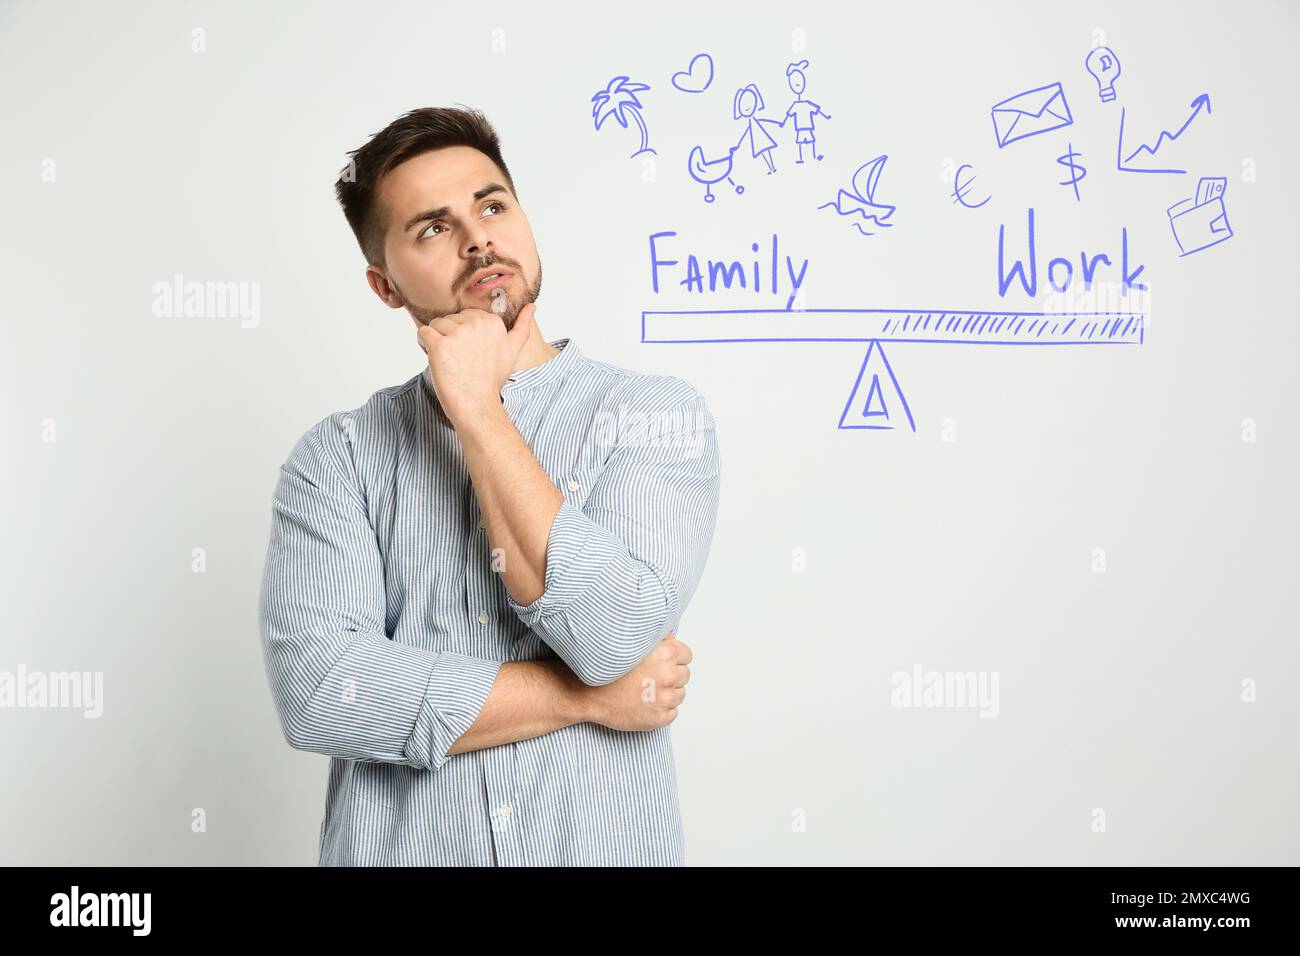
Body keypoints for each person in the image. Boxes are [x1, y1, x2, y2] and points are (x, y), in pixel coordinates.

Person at [257, 106, 722, 866]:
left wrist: (478, 411)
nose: (477, 237)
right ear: (384, 285)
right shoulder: (337, 458)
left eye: (492, 205)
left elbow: (612, 638)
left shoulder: (652, 415)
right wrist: (583, 699)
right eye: (432, 228)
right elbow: (321, 693)